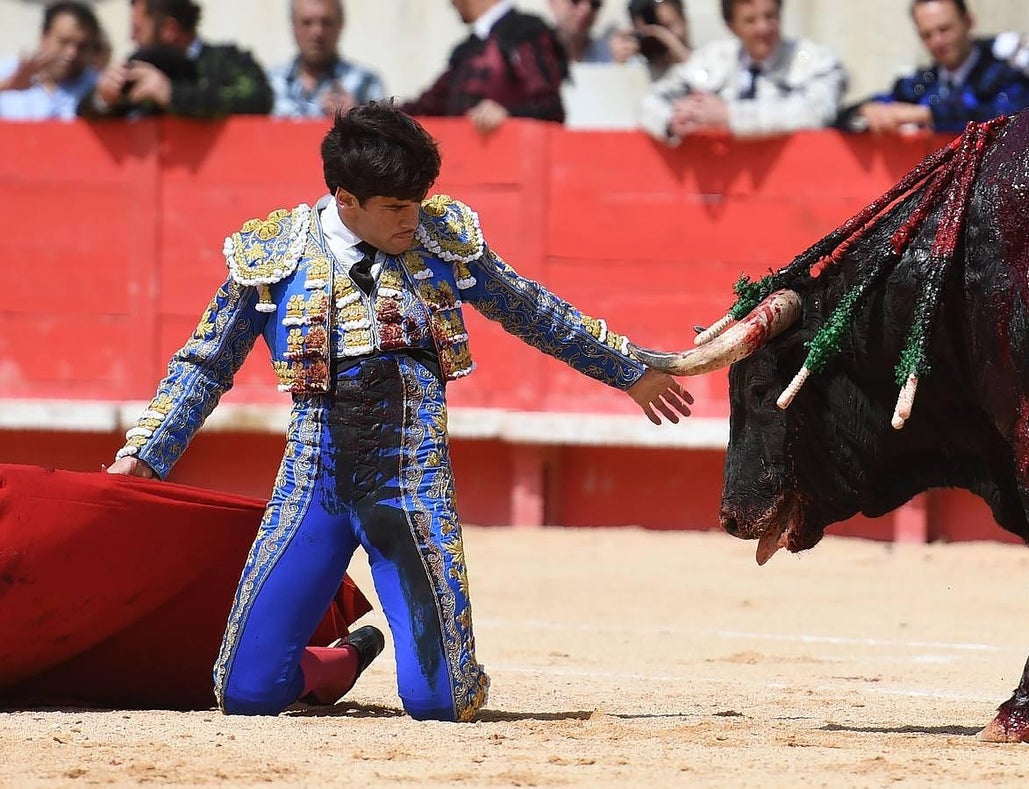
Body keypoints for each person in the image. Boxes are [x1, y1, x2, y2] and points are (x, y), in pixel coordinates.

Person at [106, 102, 693, 720]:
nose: (413, 220)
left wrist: (628, 370)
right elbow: (204, 363)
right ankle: (340, 661)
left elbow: (532, 309)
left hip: (412, 490)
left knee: (439, 703)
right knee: (246, 693)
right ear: (346, 199)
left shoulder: (443, 243)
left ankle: (433, 669)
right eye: (395, 208)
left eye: (417, 202)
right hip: (313, 488)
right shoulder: (274, 258)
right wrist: (146, 452)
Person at [639, 0, 845, 145]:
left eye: (769, 16)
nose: (763, 28)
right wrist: (673, 121)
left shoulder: (816, 60)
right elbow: (650, 102)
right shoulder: (713, 59)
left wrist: (729, 116)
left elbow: (815, 113)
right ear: (732, 26)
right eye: (750, 20)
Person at [837, 0, 1029, 135]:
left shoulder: (1005, 77)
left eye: (944, 29)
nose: (937, 41)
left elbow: (1009, 116)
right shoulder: (920, 84)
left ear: (968, 22)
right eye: (927, 35)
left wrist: (927, 115)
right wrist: (865, 112)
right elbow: (843, 116)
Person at [80, 0, 272, 118]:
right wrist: (103, 98)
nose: (132, 38)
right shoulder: (139, 68)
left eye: (138, 29)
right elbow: (86, 113)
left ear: (169, 30)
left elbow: (257, 99)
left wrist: (173, 94)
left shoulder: (225, 60)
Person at [401, 0, 568, 134]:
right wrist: (380, 115)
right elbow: (427, 106)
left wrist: (507, 114)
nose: (450, 3)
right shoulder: (469, 47)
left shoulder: (525, 33)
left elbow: (551, 109)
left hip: (512, 166)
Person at [268, 0, 386, 119]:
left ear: (341, 24)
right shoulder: (270, 83)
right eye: (307, 22)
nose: (317, 32)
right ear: (294, 26)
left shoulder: (366, 83)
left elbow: (385, 135)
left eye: (326, 22)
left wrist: (356, 119)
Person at [0, 1, 103, 121]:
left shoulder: (96, 87)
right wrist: (9, 86)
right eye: (63, 42)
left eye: (82, 46)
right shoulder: (7, 72)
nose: (71, 53)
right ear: (44, 37)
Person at [611, 0, 693, 80]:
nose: (656, 36)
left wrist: (679, 51)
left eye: (665, 26)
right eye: (644, 32)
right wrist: (619, 66)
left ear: (683, 20)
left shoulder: (702, 59)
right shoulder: (635, 66)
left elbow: (700, 80)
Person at [549, 0, 614, 63]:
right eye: (575, 1)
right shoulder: (540, 53)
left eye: (594, 3)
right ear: (552, 1)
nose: (586, 9)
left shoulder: (611, 55)